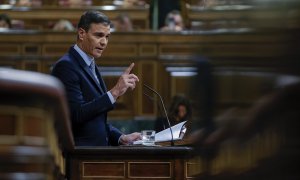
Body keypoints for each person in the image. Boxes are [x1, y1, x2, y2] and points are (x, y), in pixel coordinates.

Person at [51, 10, 141, 146]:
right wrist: (114, 92)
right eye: (99, 35)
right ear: (81, 34)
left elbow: (95, 120)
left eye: (107, 36)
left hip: (96, 153)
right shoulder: (66, 66)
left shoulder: (90, 63)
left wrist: (120, 137)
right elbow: (76, 115)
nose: (104, 42)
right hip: (80, 155)